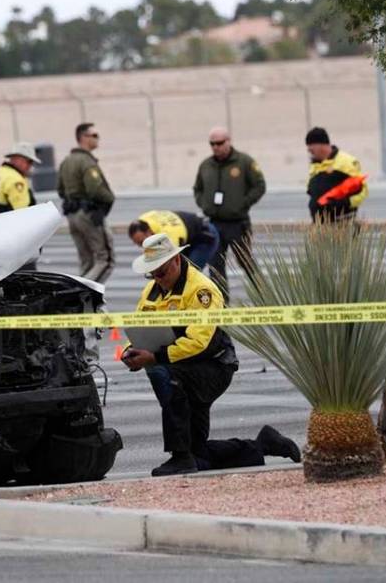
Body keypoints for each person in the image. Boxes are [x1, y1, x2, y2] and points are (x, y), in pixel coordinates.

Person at [121, 233, 301, 476]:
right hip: (183, 365)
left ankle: (180, 456)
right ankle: (263, 444)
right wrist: (129, 351)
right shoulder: (153, 290)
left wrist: (154, 358)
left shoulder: (201, 290)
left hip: (212, 367)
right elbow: (139, 328)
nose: (157, 279)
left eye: (161, 272)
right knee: (200, 456)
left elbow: (198, 342)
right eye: (152, 274)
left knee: (164, 375)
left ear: (176, 260)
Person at [193, 126, 265, 300]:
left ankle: (266, 296)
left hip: (238, 223)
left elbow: (259, 186)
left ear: (228, 141)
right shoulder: (206, 165)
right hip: (214, 224)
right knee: (215, 264)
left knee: (245, 260)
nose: (216, 147)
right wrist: (205, 205)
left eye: (219, 143)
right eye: (212, 144)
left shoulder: (244, 162)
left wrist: (243, 204)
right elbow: (198, 188)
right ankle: (221, 302)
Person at [57, 122, 115, 283]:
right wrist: (109, 200)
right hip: (88, 214)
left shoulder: (66, 162)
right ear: (83, 138)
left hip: (72, 216)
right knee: (105, 260)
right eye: (94, 135)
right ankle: (84, 292)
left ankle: (77, 298)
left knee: (87, 261)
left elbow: (60, 190)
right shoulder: (87, 162)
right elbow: (96, 190)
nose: (98, 139)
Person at [305, 127, 369, 222]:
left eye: (311, 146)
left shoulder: (346, 161)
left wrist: (344, 203)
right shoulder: (315, 165)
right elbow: (311, 190)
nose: (309, 150)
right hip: (320, 224)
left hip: (343, 223)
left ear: (321, 145)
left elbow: (363, 191)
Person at [127, 210, 219, 272]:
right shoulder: (144, 220)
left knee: (188, 273)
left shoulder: (168, 236)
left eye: (141, 242)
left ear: (149, 232)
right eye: (137, 243)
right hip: (187, 232)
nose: (141, 246)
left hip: (204, 237)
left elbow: (169, 264)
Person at [0, 143, 41, 215]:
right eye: (29, 162)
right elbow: (23, 213)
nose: (30, 166)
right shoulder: (16, 181)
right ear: (19, 159)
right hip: (13, 224)